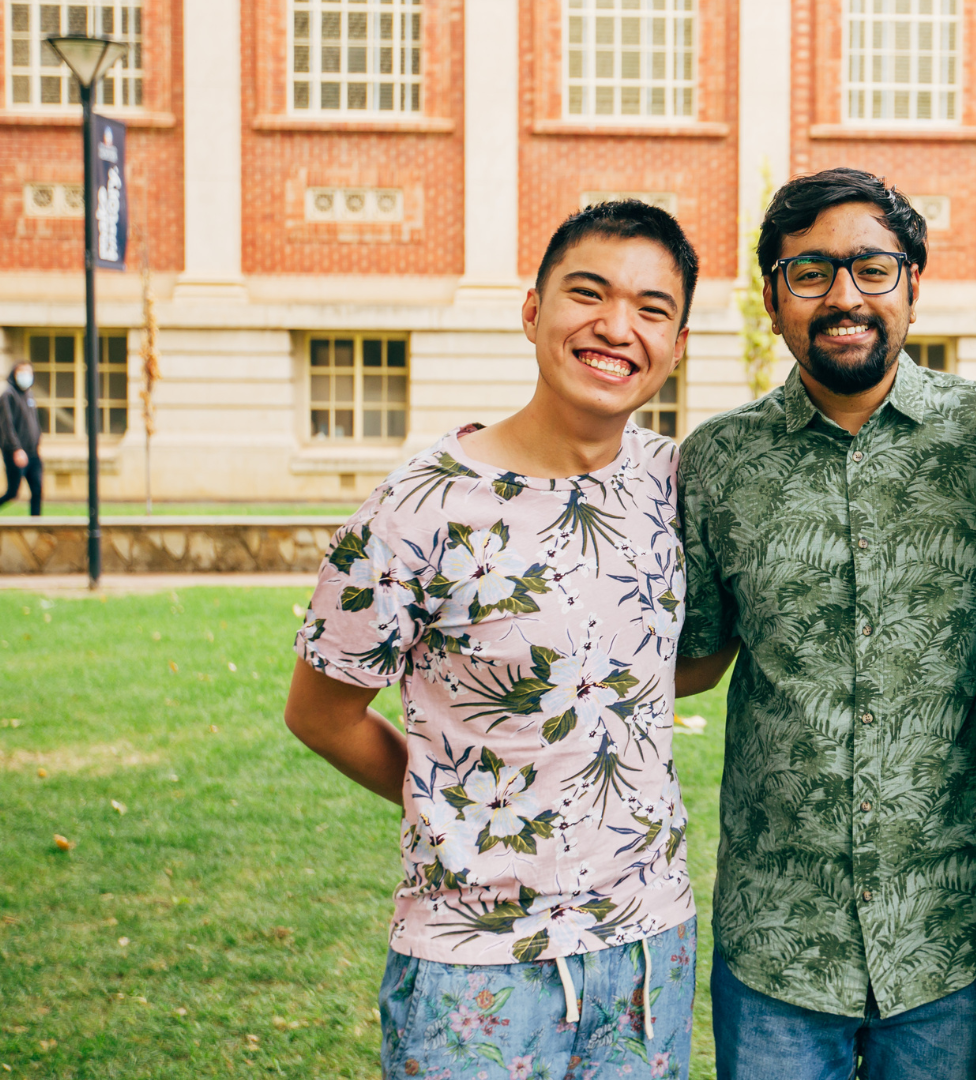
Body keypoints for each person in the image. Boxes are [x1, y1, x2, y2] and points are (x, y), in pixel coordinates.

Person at [283, 200, 702, 1080]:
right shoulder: (417, 509)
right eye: (586, 294)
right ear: (530, 311)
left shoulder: (676, 484)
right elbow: (322, 714)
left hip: (646, 947)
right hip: (472, 961)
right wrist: (450, 807)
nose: (616, 327)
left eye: (651, 308)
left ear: (678, 341)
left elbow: (670, 662)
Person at [674, 168, 976, 1080]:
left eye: (873, 268)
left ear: (915, 282)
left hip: (956, 931)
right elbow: (692, 658)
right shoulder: (716, 464)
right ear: (772, 297)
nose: (845, 297)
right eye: (811, 273)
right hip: (778, 942)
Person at [1, 360, 43, 516]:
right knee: (13, 492)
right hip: (16, 453)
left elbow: (34, 421)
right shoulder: (8, 395)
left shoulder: (29, 394)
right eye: (22, 372)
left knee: (37, 490)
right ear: (14, 374)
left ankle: (36, 524)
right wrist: (16, 449)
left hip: (33, 452)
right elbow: (7, 425)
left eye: (28, 372)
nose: (26, 375)